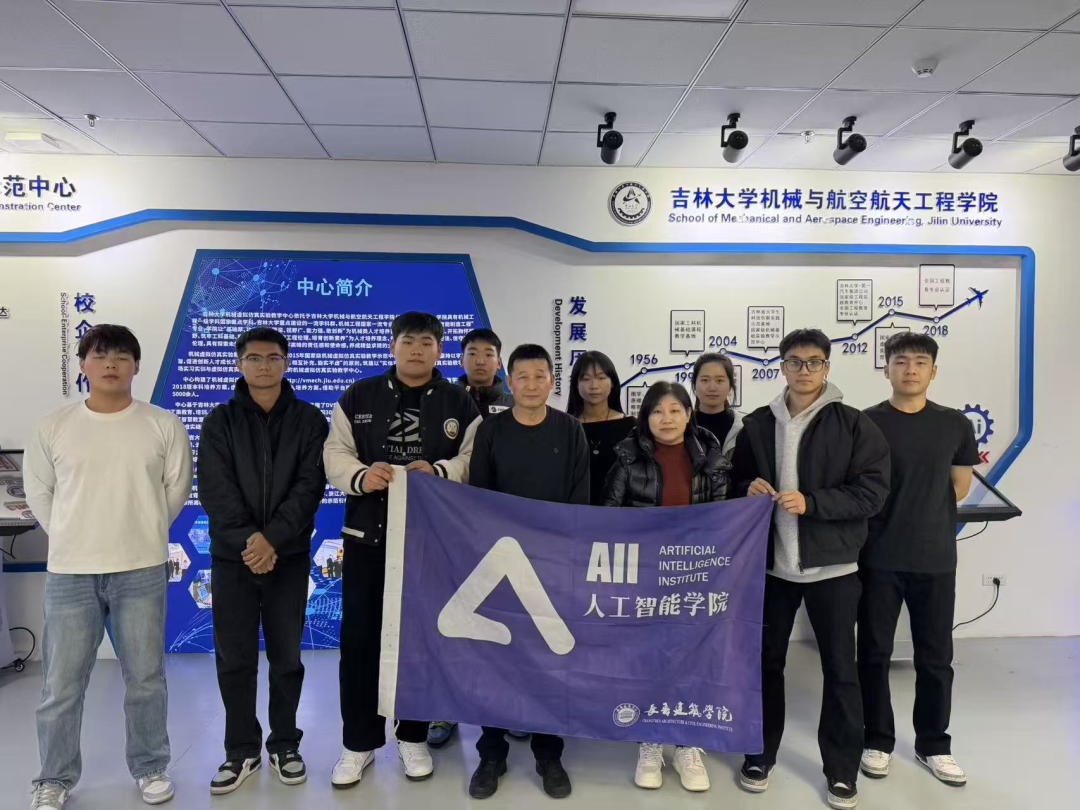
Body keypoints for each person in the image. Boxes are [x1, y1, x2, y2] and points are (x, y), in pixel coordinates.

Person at [23, 325, 193, 810]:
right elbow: (39, 491)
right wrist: (71, 535)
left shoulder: (162, 424)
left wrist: (143, 530)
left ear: (136, 366)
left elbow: (176, 488)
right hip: (71, 573)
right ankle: (53, 778)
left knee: (145, 678)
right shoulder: (54, 426)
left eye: (121, 356)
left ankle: (150, 767)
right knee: (61, 685)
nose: (111, 364)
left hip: (140, 568)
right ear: (84, 365)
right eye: (100, 355)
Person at [730, 328, 890, 810]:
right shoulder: (758, 423)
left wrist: (812, 502)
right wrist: (747, 488)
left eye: (814, 362)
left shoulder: (854, 424)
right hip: (771, 570)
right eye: (795, 362)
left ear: (827, 367)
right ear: (781, 366)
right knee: (765, 665)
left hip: (833, 569)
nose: (804, 370)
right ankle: (759, 755)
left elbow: (871, 493)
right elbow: (735, 480)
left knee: (841, 670)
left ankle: (841, 770)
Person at [324, 312, 481, 788]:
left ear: (439, 351)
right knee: (360, 641)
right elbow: (335, 452)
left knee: (421, 640)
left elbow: (473, 458)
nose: (416, 349)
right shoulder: (359, 395)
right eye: (408, 341)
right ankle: (359, 743)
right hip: (368, 539)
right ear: (393, 346)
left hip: (430, 539)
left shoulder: (460, 402)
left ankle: (413, 736)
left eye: (427, 342)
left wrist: (440, 471)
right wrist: (360, 475)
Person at [197, 327, 329, 794]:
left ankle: (285, 744)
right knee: (234, 659)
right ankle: (241, 750)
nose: (264, 366)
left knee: (286, 657)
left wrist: (272, 539)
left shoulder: (309, 419)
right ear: (240, 364)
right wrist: (251, 542)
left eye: (273, 358)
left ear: (286, 363)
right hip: (233, 560)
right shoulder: (220, 421)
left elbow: (310, 487)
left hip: (288, 558)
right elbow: (215, 490)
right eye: (254, 358)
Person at [467, 344, 589, 800]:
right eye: (523, 376)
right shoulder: (491, 430)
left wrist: (560, 552)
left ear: (552, 382)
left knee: (549, 661)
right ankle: (491, 753)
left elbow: (580, 500)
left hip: (552, 564)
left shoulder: (570, 430)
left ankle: (548, 753)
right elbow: (479, 498)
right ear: (510, 380)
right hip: (499, 564)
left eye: (541, 376)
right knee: (495, 659)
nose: (532, 384)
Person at [857, 333, 978, 788]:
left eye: (920, 362)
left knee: (935, 657)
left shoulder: (954, 424)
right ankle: (877, 740)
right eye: (901, 360)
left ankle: (934, 744)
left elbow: (959, 487)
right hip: (878, 557)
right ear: (886, 368)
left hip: (935, 557)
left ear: (933, 370)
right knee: (873, 653)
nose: (910, 369)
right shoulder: (866, 422)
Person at [601, 381, 730, 792]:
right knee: (648, 660)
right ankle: (650, 740)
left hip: (694, 578)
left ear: (689, 415)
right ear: (646, 418)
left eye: (675, 410)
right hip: (644, 578)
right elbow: (608, 518)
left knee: (692, 659)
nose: (667, 419)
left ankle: (688, 744)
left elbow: (724, 521)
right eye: (657, 411)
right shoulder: (627, 460)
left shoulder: (712, 461)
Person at [429, 327, 520, 750]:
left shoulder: (517, 402)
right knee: (446, 617)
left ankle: (506, 706)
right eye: (472, 352)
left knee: (505, 622)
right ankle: (445, 708)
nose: (480, 360)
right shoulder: (443, 400)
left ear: (499, 361)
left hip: (504, 531)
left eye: (488, 353)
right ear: (460, 358)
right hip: (449, 527)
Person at [567, 350, 636, 505]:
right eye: (586, 379)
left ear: (612, 382)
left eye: (601, 378)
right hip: (577, 511)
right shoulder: (567, 427)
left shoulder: (630, 426)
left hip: (621, 513)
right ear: (576, 384)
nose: (594, 386)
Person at [691, 352, 744, 456]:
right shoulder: (682, 426)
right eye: (705, 380)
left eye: (719, 381)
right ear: (694, 384)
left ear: (730, 386)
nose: (712, 388)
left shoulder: (745, 427)